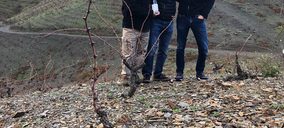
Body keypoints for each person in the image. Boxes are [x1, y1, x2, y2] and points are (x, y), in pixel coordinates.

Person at [175, 0, 215, 81]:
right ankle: (179, 73)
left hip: (197, 18)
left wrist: (204, 14)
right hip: (182, 17)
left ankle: (200, 72)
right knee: (180, 47)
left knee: (203, 48)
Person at [117, 0, 152, 85]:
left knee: (141, 52)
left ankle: (136, 75)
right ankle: (125, 75)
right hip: (130, 26)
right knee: (128, 52)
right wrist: (149, 13)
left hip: (145, 27)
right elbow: (127, 9)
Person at [142, 0, 177, 83]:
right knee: (152, 48)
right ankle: (147, 74)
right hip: (156, 21)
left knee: (164, 50)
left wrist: (173, 13)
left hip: (169, 21)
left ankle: (158, 74)